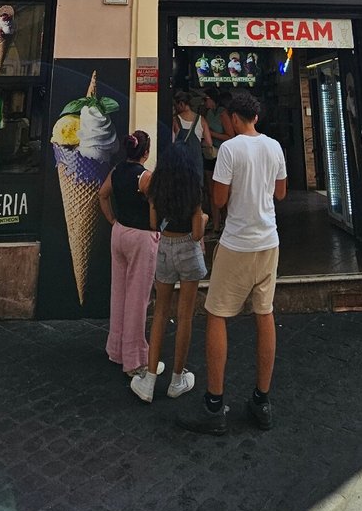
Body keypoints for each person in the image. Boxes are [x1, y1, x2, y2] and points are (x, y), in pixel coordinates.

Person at [180, 90, 287, 436]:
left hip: (237, 243)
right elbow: (281, 193)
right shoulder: (274, 147)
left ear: (235, 119)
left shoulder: (230, 149)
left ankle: (214, 404)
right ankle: (262, 399)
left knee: (216, 315)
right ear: (255, 117)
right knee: (265, 313)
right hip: (269, 241)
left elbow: (220, 198)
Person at [130, 143, 208, 403]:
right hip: (188, 248)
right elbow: (197, 233)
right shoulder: (194, 190)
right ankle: (177, 379)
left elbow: (154, 225)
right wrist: (205, 220)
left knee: (160, 312)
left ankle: (149, 379)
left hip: (165, 248)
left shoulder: (157, 189)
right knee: (185, 316)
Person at [99, 131, 164, 377]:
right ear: (146, 153)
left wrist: (113, 220)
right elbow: (153, 209)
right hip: (141, 237)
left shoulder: (116, 171)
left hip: (120, 233)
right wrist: (155, 229)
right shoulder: (146, 177)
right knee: (138, 299)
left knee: (120, 293)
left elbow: (102, 195)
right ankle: (135, 360)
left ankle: (116, 349)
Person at [203, 89, 234, 232]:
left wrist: (211, 133)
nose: (205, 102)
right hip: (210, 154)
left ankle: (227, 222)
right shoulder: (209, 113)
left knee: (222, 190)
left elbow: (230, 136)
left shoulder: (223, 113)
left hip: (221, 154)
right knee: (211, 191)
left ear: (213, 99)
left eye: (206, 99)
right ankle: (215, 225)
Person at [173, 91, 212, 184]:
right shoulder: (201, 120)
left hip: (180, 162)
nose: (175, 108)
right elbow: (209, 143)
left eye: (176, 105)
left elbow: (172, 142)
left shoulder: (175, 120)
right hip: (196, 161)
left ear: (181, 104)